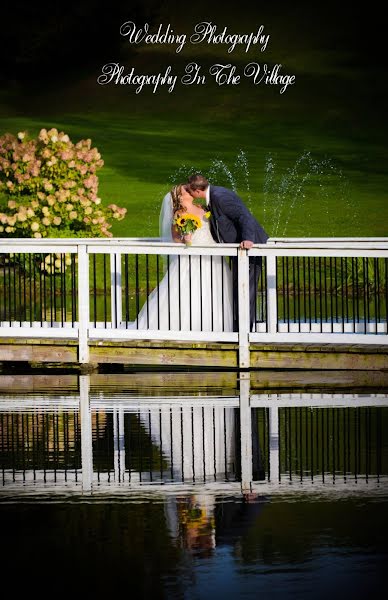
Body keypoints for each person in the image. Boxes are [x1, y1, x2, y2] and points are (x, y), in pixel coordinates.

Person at [130, 184, 233, 332]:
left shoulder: (203, 208)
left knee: (214, 291)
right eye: (185, 190)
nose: (189, 189)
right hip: (192, 257)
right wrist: (186, 237)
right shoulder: (179, 213)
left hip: (212, 254)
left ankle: (214, 327)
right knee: (189, 291)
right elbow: (176, 239)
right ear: (179, 196)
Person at [186, 173, 269, 330]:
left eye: (190, 191)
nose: (190, 194)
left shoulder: (220, 197)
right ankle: (238, 327)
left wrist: (248, 239)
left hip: (250, 249)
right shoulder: (214, 197)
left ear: (197, 191)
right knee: (239, 287)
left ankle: (245, 331)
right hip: (238, 250)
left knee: (247, 289)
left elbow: (244, 216)